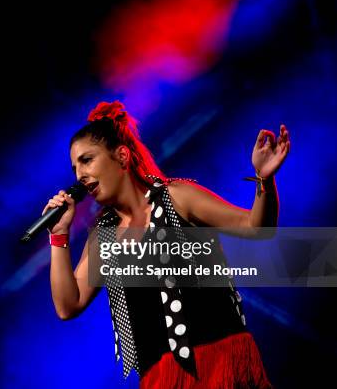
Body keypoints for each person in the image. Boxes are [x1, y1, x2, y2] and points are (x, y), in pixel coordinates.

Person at [43, 101, 290, 388]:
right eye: (74, 167)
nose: (79, 175)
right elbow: (67, 306)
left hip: (221, 365)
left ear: (121, 156)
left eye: (87, 160)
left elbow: (257, 228)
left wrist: (264, 179)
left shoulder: (177, 197)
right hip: (163, 380)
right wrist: (59, 235)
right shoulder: (104, 237)